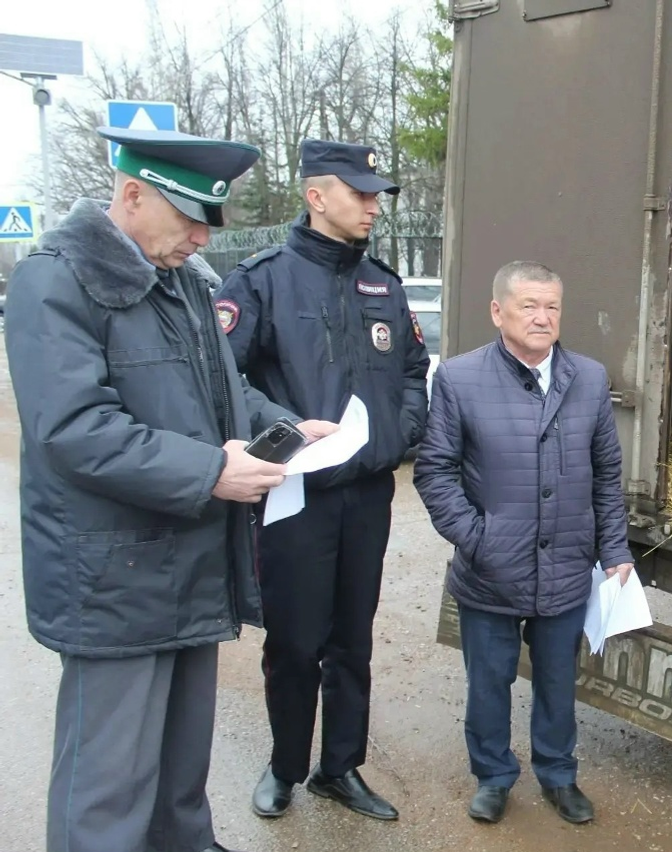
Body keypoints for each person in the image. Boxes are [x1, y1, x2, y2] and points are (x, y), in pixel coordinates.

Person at [4, 126, 338, 852]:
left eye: (209, 222)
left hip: (187, 561)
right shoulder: (55, 280)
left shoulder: (183, 282)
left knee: (181, 766)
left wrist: (283, 424)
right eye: (188, 219)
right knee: (108, 784)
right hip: (112, 579)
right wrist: (209, 471)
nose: (200, 237)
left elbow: (225, 393)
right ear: (130, 195)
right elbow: (75, 430)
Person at [213, 138, 430, 822]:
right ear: (316, 196)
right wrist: (281, 423)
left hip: (366, 493)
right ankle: (284, 767)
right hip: (295, 494)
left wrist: (398, 436)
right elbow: (223, 378)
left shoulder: (384, 286)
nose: (372, 205)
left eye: (375, 194)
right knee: (296, 641)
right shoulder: (261, 281)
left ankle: (340, 768)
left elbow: (413, 375)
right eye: (359, 192)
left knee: (352, 641)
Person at [416, 260, 635, 825]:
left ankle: (559, 775)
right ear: (498, 311)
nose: (542, 318)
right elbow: (434, 471)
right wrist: (478, 539)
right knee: (488, 683)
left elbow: (607, 474)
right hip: (490, 570)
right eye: (529, 306)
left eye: (552, 307)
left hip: (565, 564)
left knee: (559, 683)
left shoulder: (587, 377)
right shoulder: (460, 379)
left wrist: (614, 550)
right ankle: (492, 776)